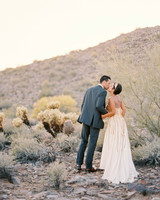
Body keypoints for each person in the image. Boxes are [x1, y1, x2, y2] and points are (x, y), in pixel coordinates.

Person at [100, 83, 139, 183]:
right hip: (121, 121)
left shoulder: (111, 99)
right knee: (121, 143)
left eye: (112, 85)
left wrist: (103, 117)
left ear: (113, 89)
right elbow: (124, 110)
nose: (110, 85)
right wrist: (120, 117)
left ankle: (115, 166)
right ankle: (122, 164)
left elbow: (112, 112)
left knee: (114, 142)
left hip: (114, 122)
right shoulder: (119, 98)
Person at [76, 75, 111, 172]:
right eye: (108, 83)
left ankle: (78, 164)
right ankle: (88, 166)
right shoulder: (102, 92)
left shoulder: (89, 89)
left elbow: (83, 105)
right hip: (95, 121)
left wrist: (85, 116)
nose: (109, 85)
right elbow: (99, 106)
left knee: (83, 141)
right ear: (104, 82)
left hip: (85, 119)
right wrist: (108, 114)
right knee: (92, 143)